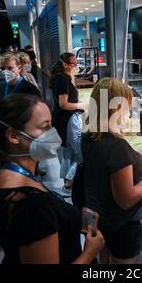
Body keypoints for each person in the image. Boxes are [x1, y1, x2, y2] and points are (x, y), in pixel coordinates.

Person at [0, 94, 105, 264]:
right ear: (13, 136)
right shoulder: (33, 206)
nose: (52, 133)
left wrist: (64, 219)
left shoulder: (1, 172)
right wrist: (90, 252)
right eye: (44, 127)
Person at [82, 78, 142, 264]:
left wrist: (133, 158)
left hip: (99, 219)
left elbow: (106, 165)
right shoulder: (117, 147)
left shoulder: (89, 135)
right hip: (121, 226)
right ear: (117, 108)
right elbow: (126, 199)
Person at [49, 53, 84, 196]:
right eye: (73, 64)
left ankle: (67, 186)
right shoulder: (63, 79)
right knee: (80, 154)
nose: (75, 66)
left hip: (63, 120)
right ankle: (70, 183)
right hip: (69, 120)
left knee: (68, 152)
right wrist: (80, 105)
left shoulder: (60, 78)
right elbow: (64, 104)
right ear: (64, 64)